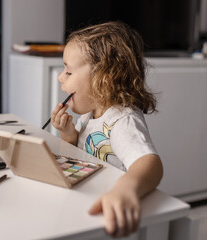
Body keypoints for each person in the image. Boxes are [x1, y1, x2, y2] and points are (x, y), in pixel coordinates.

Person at [51, 21, 163, 237]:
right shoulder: (89, 114)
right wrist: (69, 135)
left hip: (111, 216)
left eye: (68, 71)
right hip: (86, 203)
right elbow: (78, 155)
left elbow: (150, 163)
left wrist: (126, 189)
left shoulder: (122, 121)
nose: (60, 77)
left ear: (104, 78)